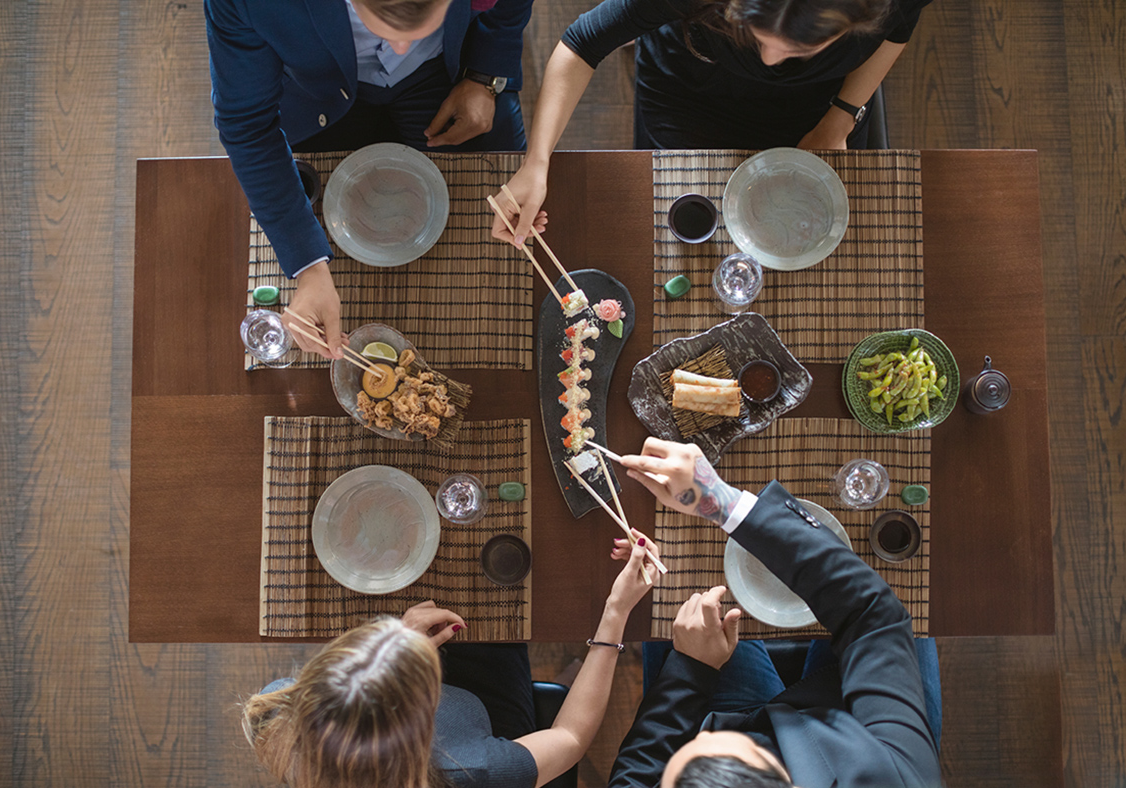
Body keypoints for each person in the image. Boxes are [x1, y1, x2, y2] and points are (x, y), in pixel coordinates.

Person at [206, 0, 537, 358]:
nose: (400, 48)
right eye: (386, 26)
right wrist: (307, 265)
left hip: (448, 70)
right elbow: (248, 126)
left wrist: (485, 76)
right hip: (315, 91)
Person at [606, 437, 941, 788]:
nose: (700, 733)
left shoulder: (704, 735)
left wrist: (690, 670)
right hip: (861, 731)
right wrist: (721, 503)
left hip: (735, 709)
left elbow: (637, 776)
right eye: (711, 746)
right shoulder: (893, 776)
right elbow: (873, 616)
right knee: (911, 591)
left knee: (672, 597)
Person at [492, 0, 932, 247]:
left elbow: (899, 29)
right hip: (691, 87)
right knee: (678, 221)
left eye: (796, 49)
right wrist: (537, 163)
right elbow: (582, 43)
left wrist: (840, 118)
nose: (769, 60)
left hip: (823, 100)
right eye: (759, 38)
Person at [242, 535, 662, 788]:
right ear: (421, 724)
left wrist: (403, 635)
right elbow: (570, 738)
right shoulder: (472, 770)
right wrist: (616, 613)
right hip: (489, 726)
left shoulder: (278, 708)